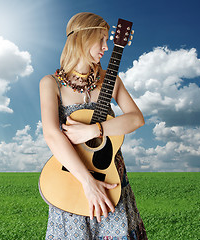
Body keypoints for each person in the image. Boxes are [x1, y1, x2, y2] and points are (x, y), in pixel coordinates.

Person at [39, 12, 148, 239]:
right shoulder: (50, 83)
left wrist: (94, 130)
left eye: (108, 40)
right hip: (71, 177)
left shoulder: (111, 80)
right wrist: (88, 183)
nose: (106, 47)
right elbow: (52, 135)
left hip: (109, 176)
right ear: (83, 38)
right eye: (101, 39)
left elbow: (136, 119)